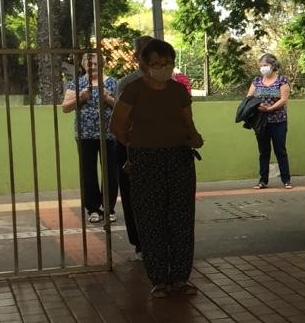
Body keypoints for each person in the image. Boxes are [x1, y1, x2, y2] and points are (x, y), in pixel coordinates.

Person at [111, 39, 205, 298]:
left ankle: (180, 278)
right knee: (151, 219)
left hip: (178, 158)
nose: (162, 68)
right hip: (144, 160)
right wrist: (136, 145)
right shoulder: (133, 90)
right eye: (156, 64)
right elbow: (117, 125)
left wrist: (194, 138)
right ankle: (159, 279)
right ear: (143, 65)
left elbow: (188, 122)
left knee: (181, 218)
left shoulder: (177, 91)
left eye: (167, 63)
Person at [61, 52, 121, 224]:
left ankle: (108, 209)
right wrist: (81, 97)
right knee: (88, 172)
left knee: (110, 171)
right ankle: (93, 209)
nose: (91, 66)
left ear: (101, 64)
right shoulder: (77, 83)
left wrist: (107, 98)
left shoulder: (112, 82)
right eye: (88, 64)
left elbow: (122, 106)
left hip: (109, 133)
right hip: (85, 134)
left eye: (94, 63)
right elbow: (65, 107)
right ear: (83, 65)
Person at [115, 35, 155, 254]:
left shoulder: (171, 82)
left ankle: (154, 239)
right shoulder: (128, 83)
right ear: (136, 56)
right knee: (133, 195)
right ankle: (141, 240)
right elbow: (119, 122)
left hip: (160, 146)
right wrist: (129, 147)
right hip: (132, 145)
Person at [247, 53, 292, 189]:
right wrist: (259, 106)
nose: (263, 68)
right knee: (264, 151)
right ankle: (263, 180)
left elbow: (284, 99)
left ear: (273, 66)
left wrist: (271, 108)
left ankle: (286, 180)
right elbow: (249, 98)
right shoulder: (256, 81)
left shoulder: (282, 81)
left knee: (280, 150)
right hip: (261, 122)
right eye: (261, 66)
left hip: (278, 121)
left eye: (265, 65)